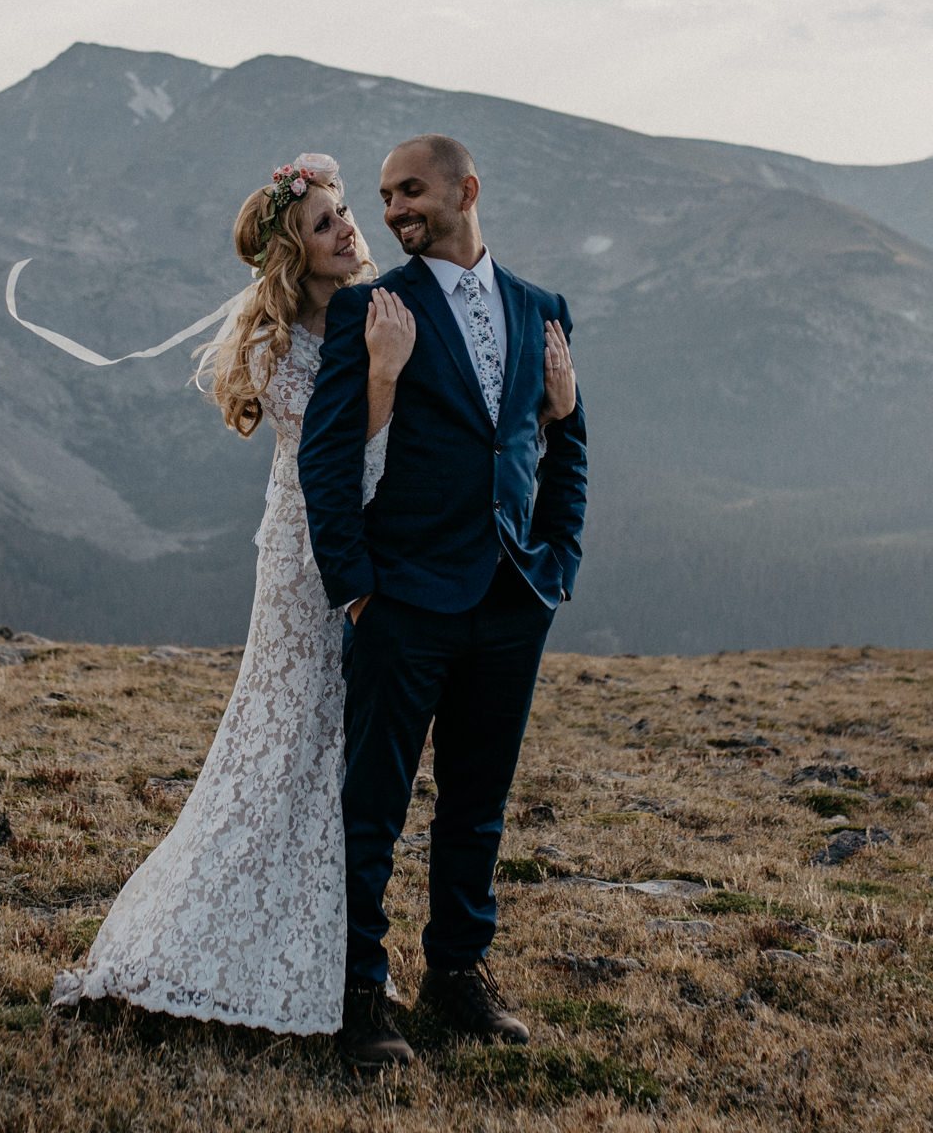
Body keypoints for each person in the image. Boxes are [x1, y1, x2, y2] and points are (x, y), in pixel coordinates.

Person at [49, 155, 414, 1032]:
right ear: (295, 250)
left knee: (341, 745)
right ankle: (205, 940)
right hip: (306, 560)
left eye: (344, 212)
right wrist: (386, 374)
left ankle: (331, 944)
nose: (349, 229)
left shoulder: (373, 313)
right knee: (288, 736)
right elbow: (334, 441)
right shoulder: (273, 343)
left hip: (379, 543)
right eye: (325, 222)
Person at [297, 133, 587, 1071]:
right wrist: (354, 590)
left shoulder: (542, 309)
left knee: (478, 802)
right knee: (371, 805)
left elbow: (563, 445)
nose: (391, 211)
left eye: (409, 190)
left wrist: (558, 563)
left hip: (511, 599)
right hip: (403, 601)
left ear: (467, 187)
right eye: (381, 196)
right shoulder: (370, 311)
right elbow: (327, 456)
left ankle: (458, 972)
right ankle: (357, 991)